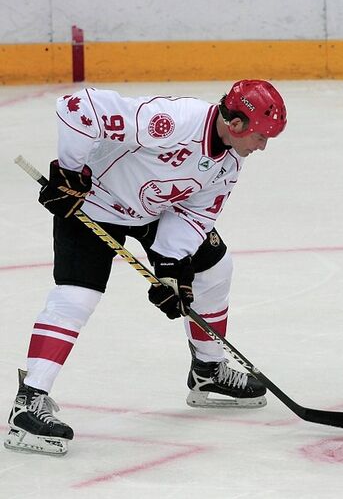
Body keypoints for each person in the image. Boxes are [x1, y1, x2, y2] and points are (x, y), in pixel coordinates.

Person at [5, 80, 287, 456]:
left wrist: (172, 269)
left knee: (214, 269)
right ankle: (29, 401)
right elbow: (77, 107)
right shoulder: (175, 121)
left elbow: (194, 213)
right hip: (90, 203)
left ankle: (208, 373)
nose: (263, 146)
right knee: (77, 297)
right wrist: (69, 172)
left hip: (154, 212)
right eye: (260, 136)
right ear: (235, 124)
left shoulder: (231, 162)